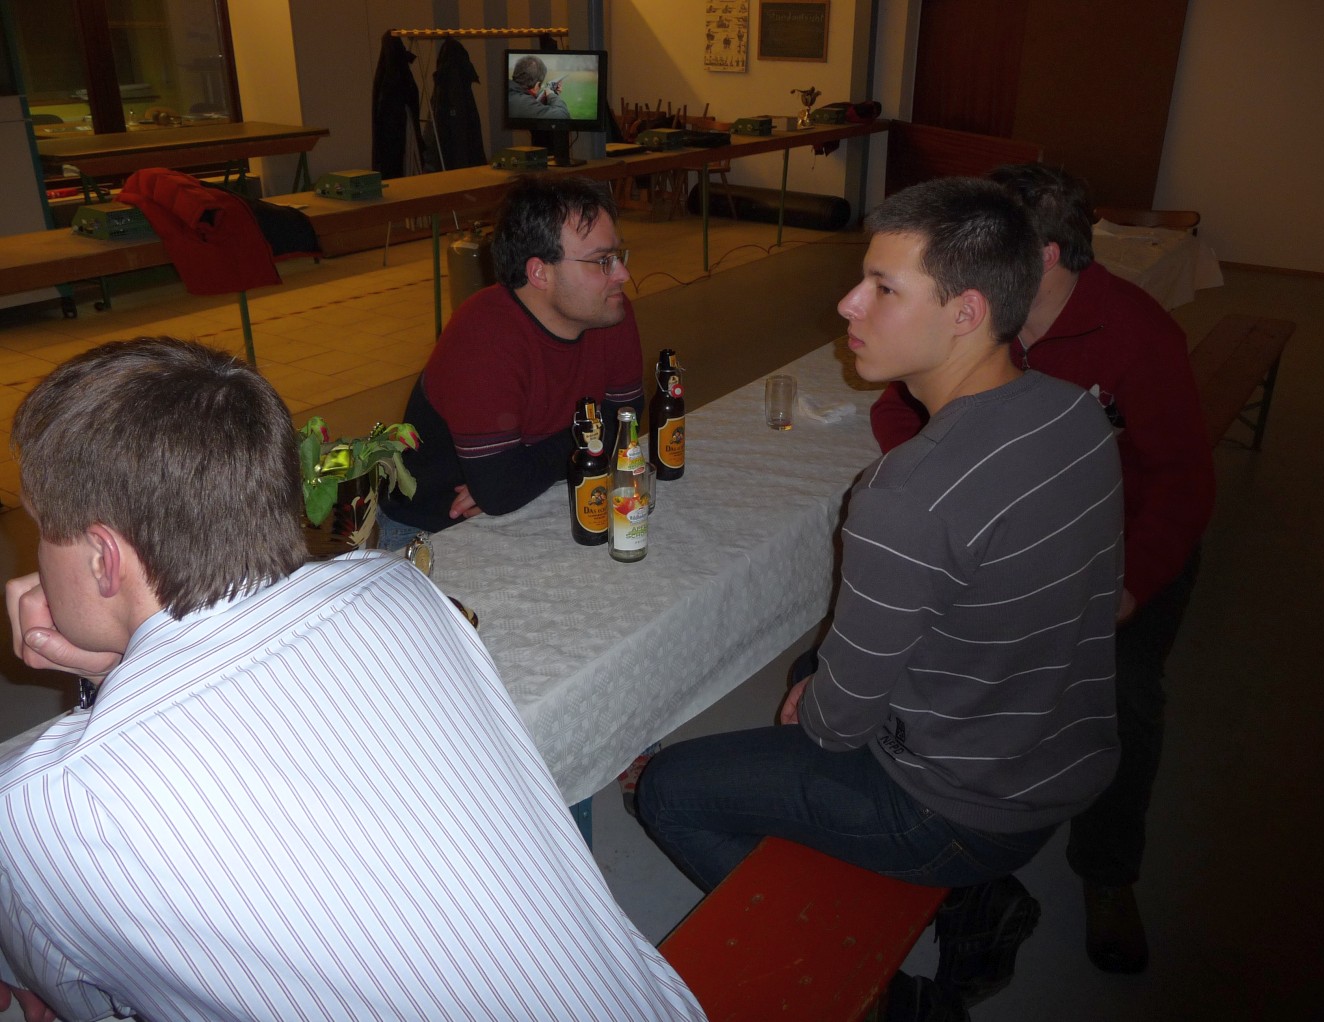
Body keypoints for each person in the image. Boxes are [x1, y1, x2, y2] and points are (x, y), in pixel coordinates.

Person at [0, 338, 703, 1022]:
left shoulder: (43, 805)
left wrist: (114, 674)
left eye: (42, 530)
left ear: (104, 559)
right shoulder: (399, 590)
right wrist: (118, 666)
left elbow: (81, 1001)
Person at [637, 178, 1126, 1010]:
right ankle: (978, 901)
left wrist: (820, 701)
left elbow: (837, 728)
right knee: (816, 663)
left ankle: (885, 997)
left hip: (958, 808)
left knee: (668, 789)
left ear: (966, 313)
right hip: (1061, 757)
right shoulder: (1073, 414)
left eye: (884, 288)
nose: (848, 303)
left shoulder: (906, 495)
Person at [870, 163, 1215, 975]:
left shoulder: (1136, 335)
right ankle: (955, 832)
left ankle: (1108, 874)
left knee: (1125, 697)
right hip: (1001, 549)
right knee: (933, 654)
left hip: (1116, 553)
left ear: (1046, 256)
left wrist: (1132, 585)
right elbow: (896, 411)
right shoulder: (983, 315)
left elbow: (1183, 482)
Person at [379, 174, 642, 549]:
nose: (622, 274)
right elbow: (501, 491)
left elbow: (627, 423)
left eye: (617, 256)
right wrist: (587, 437)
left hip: (539, 500)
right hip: (433, 532)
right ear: (539, 272)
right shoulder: (483, 336)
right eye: (602, 261)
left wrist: (524, 470)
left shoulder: (608, 310)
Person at [506, 54, 569, 119]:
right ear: (537, 85)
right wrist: (552, 95)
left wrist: (545, 99)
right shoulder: (522, 103)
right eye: (540, 86)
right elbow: (563, 115)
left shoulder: (511, 92)